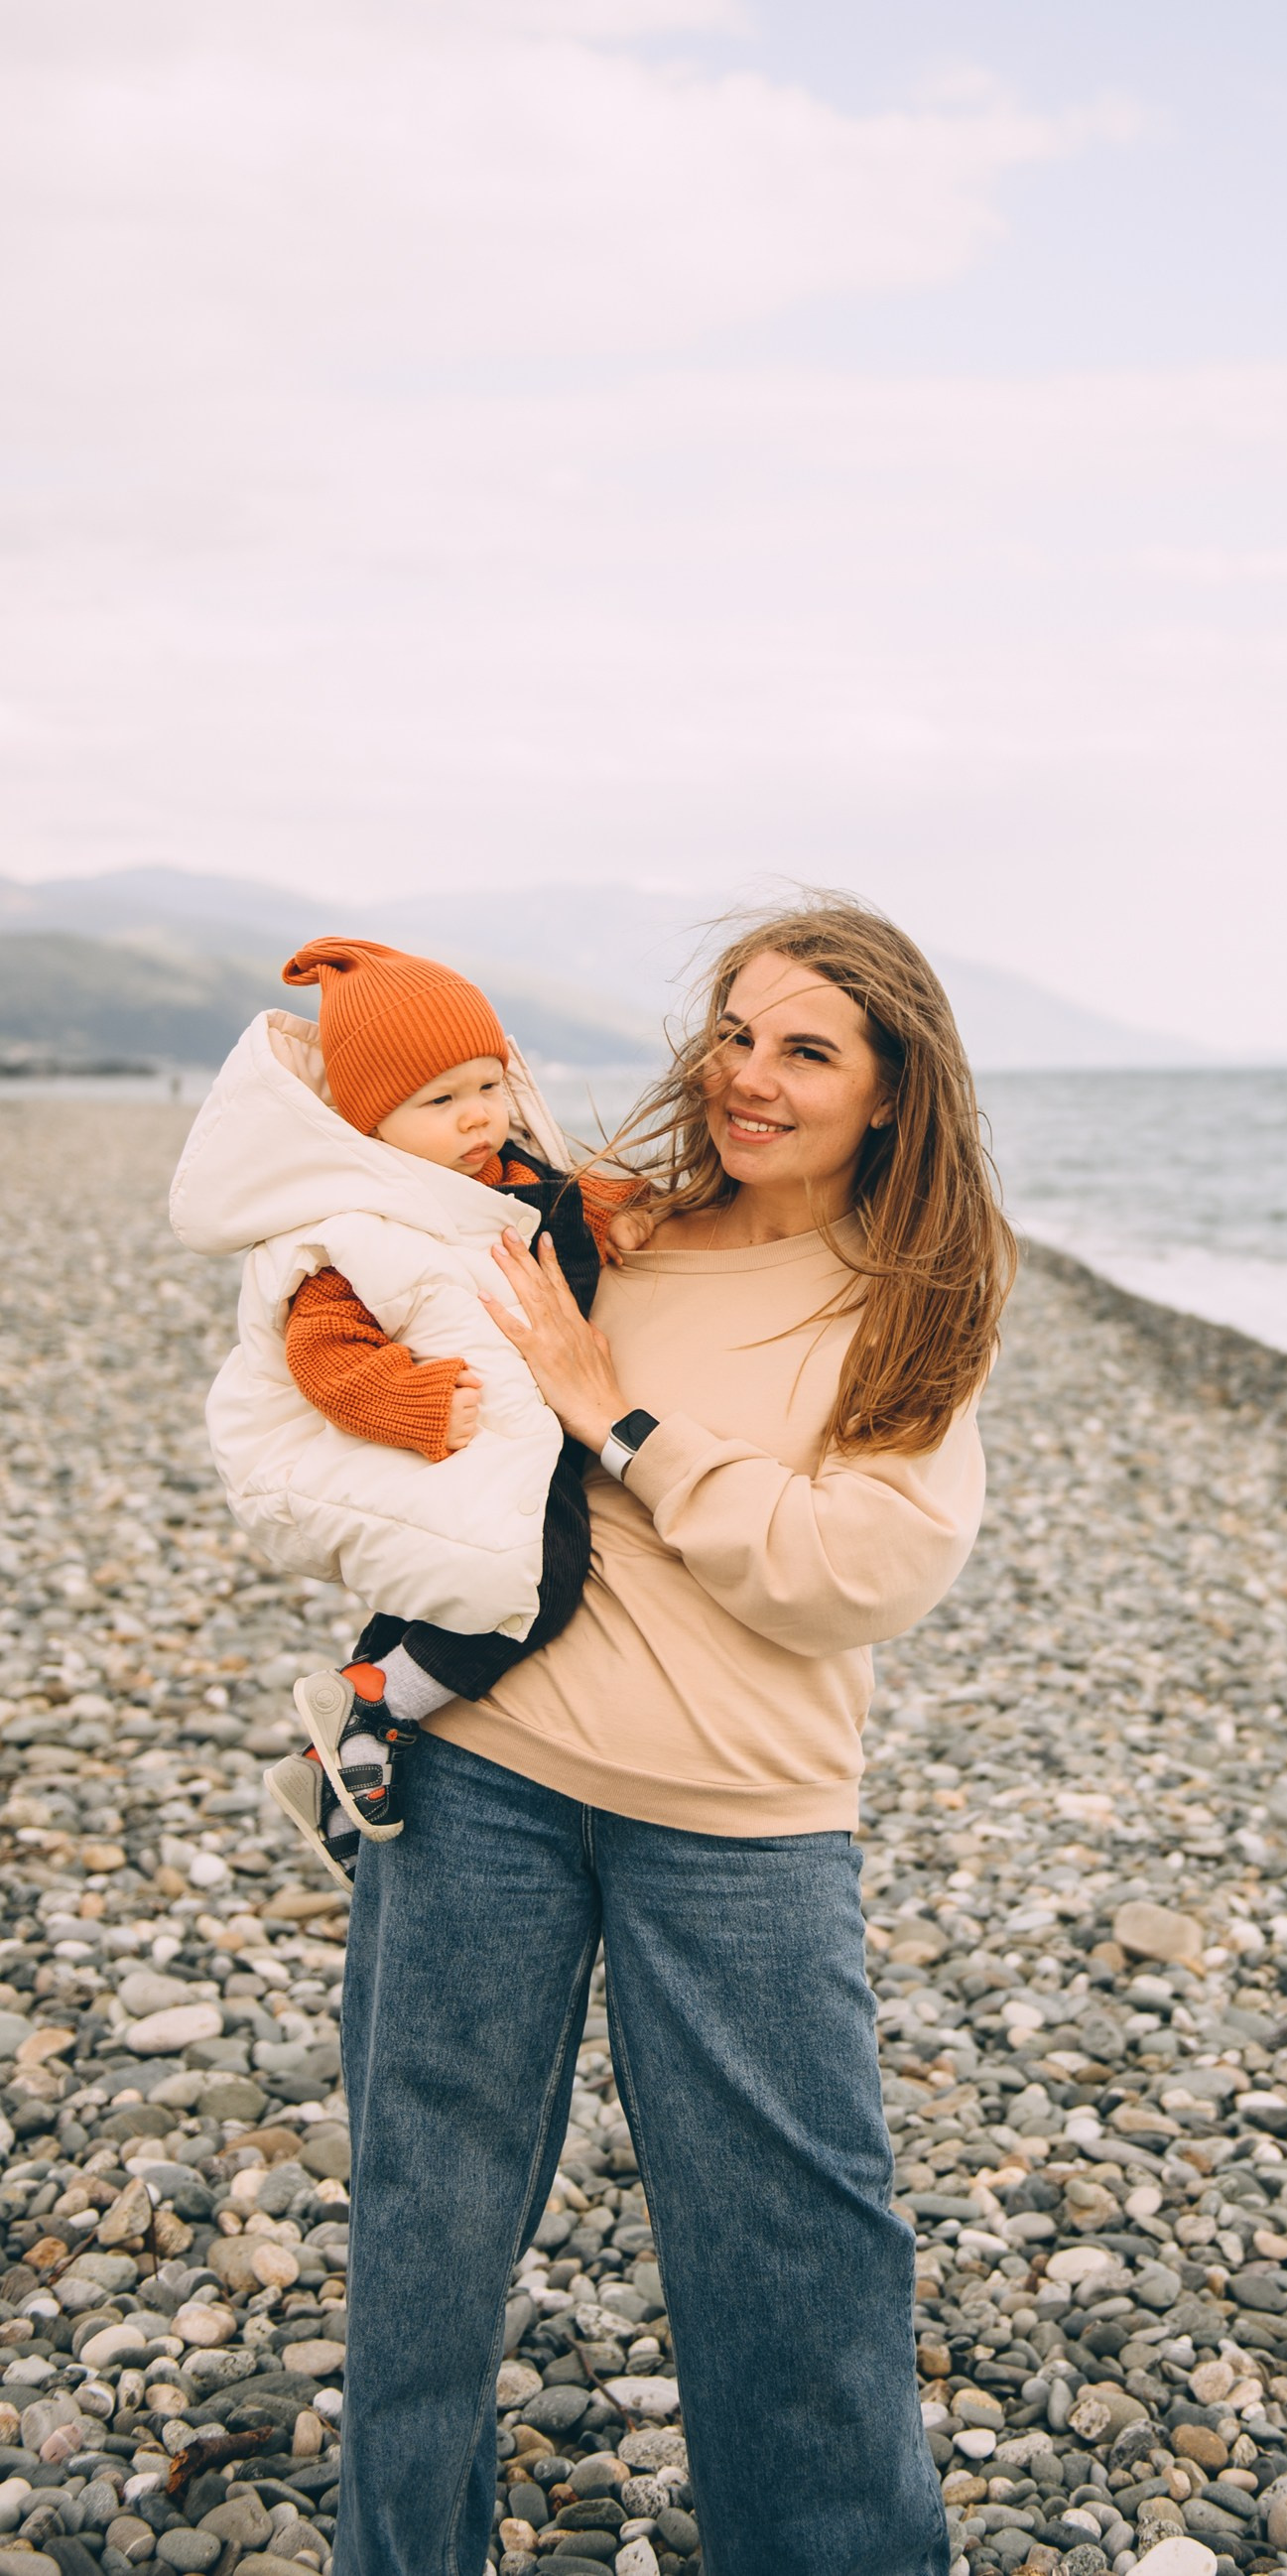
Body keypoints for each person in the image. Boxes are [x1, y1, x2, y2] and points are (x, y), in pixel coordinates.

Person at [334, 897, 1016, 2576]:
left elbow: (853, 1570)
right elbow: (388, 1338)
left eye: (805, 1049)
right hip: (483, 1769)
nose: (751, 1077)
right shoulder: (602, 1237)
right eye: (734, 1033)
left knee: (795, 2263)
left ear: (888, 1091)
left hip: (739, 1819)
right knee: (422, 2239)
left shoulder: (912, 1297)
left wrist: (619, 1417)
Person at [169, 937, 636, 1886]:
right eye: (440, 1101)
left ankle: (326, 1764)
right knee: (530, 1586)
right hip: (472, 1432)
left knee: (449, 1579)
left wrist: (636, 1213)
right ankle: (372, 1701)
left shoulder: (506, 1176)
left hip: (535, 1422)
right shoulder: (358, 1220)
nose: (478, 1117)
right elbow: (323, 1351)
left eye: (488, 1086)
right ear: (370, 1123)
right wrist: (412, 1402)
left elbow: (576, 1200)